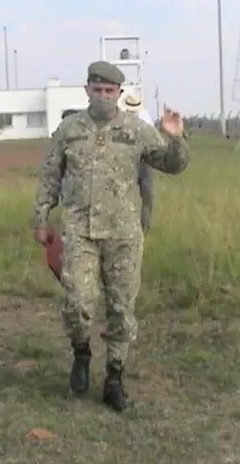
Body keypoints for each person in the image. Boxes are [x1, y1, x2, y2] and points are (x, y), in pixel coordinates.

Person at [31, 61, 190, 412]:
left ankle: (114, 378)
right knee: (78, 302)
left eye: (110, 91)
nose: (103, 96)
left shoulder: (136, 130)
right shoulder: (69, 129)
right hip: (80, 232)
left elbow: (173, 165)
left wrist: (175, 137)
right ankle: (81, 352)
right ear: (87, 90)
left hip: (123, 234)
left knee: (121, 308)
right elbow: (50, 175)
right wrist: (40, 218)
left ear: (119, 93)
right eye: (97, 90)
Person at [120, 87, 156, 233]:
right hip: (129, 158)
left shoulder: (146, 119)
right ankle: (127, 224)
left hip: (144, 158)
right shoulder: (122, 118)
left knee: (147, 192)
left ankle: (144, 224)